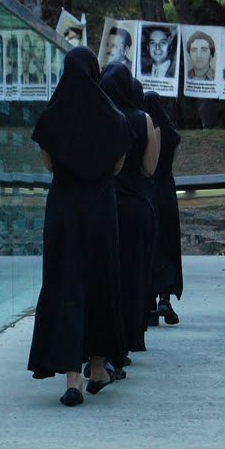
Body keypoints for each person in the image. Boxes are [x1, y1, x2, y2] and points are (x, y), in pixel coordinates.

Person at [28, 47, 133, 406]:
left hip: (63, 210)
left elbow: (48, 164)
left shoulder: (53, 116)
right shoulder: (114, 118)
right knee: (101, 285)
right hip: (100, 210)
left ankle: (72, 379)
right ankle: (98, 369)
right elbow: (117, 166)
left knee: (65, 285)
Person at [99, 63, 160, 366]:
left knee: (106, 278)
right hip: (136, 206)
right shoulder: (142, 119)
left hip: (105, 205)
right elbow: (149, 168)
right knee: (134, 276)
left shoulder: (98, 117)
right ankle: (130, 338)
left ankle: (104, 344)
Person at [143, 91, 183, 325]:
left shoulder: (145, 130)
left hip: (149, 190)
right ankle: (165, 298)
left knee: (151, 244)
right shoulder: (173, 135)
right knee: (168, 241)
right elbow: (170, 164)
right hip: (167, 190)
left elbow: (147, 164)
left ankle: (149, 304)